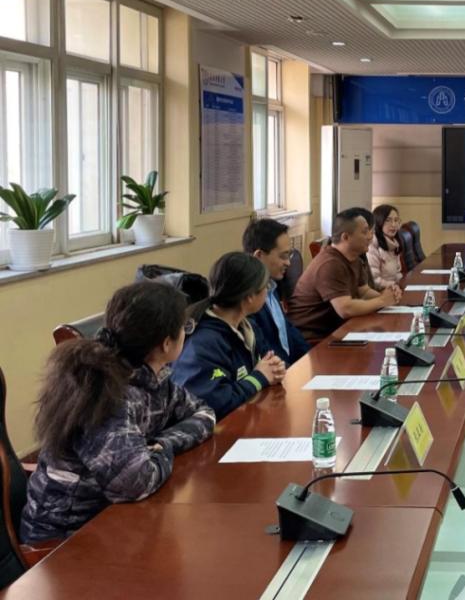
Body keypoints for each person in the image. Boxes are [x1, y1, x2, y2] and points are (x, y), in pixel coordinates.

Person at [20, 282, 215, 543]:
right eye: (184, 327)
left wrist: (161, 444)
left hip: (112, 520)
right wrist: (159, 452)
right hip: (65, 539)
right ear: (167, 343)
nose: (187, 332)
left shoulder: (153, 379)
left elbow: (204, 413)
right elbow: (135, 483)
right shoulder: (104, 392)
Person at [171, 252, 287, 420]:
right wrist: (259, 377)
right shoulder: (204, 343)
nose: (267, 291)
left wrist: (274, 368)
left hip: (247, 417)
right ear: (249, 297)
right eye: (265, 287)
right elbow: (213, 405)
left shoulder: (248, 326)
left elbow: (266, 362)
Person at [288, 207, 403, 340]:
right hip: (313, 339)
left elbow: (364, 292)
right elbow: (345, 309)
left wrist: (389, 297)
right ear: (346, 237)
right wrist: (381, 301)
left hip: (338, 329)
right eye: (365, 232)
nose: (370, 236)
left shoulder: (354, 258)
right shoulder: (330, 263)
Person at [242, 218, 310, 366]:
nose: (288, 263)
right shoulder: (247, 299)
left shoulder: (272, 286)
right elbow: (264, 350)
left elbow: (288, 330)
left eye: (289, 255)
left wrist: (311, 358)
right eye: (283, 256)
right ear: (259, 256)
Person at [367, 204, 404, 287]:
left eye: (396, 220)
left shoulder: (394, 243)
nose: (393, 225)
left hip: (394, 289)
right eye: (388, 220)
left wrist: (402, 284)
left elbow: (397, 273)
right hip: (380, 291)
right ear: (378, 222)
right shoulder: (372, 244)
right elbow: (374, 280)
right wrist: (393, 286)